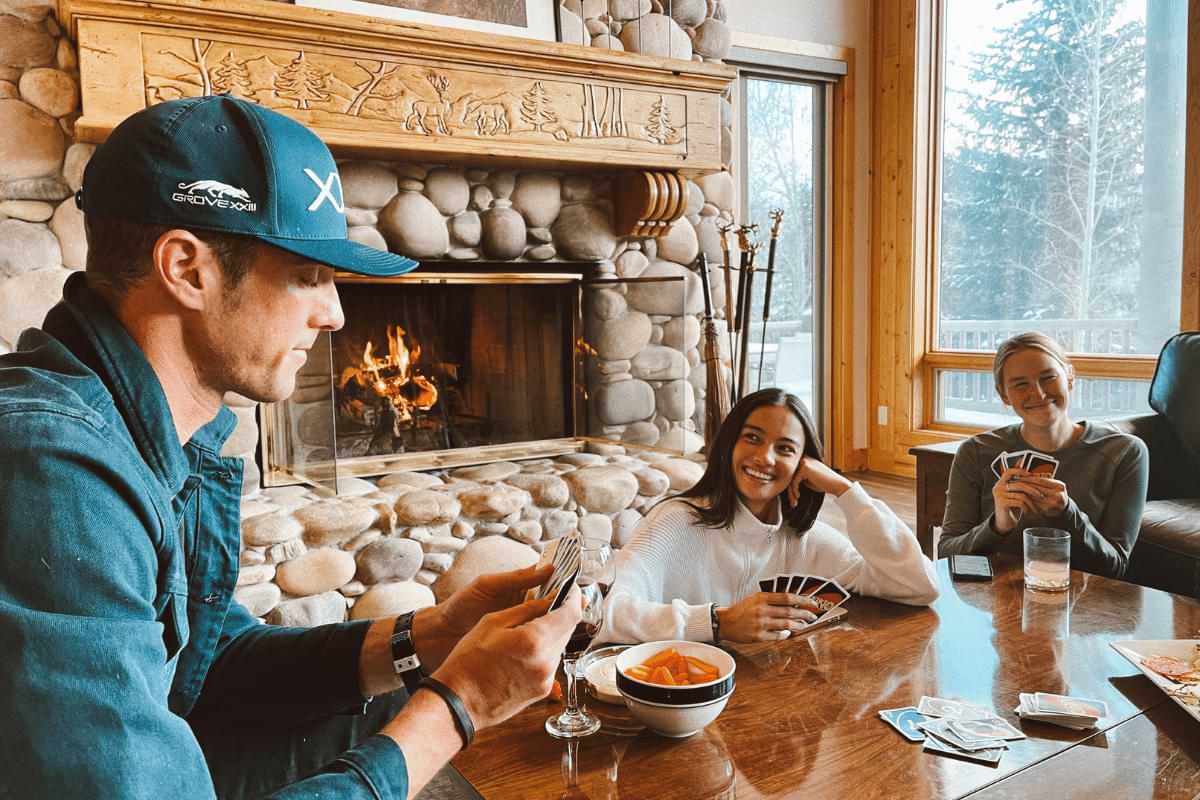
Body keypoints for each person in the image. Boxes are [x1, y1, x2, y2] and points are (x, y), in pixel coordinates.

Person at [0, 95, 581, 800]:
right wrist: (460, 704)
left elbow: (206, 663)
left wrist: (431, 636)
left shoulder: (141, 429)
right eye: (308, 275)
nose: (334, 312)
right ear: (187, 268)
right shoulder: (53, 471)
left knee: (402, 715)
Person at [600, 389, 938, 644]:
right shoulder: (675, 520)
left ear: (804, 465)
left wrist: (844, 490)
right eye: (752, 438)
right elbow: (604, 614)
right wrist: (716, 622)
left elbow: (919, 586)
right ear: (729, 444)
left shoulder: (807, 539)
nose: (765, 457)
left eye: (785, 448)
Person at [938, 332, 1149, 578]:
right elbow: (945, 554)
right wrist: (997, 525)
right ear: (1004, 395)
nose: (1038, 393)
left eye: (1048, 378)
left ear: (1070, 377)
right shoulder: (974, 452)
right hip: (997, 601)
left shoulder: (1125, 452)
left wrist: (1067, 513)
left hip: (1079, 604)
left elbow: (1115, 566)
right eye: (1020, 384)